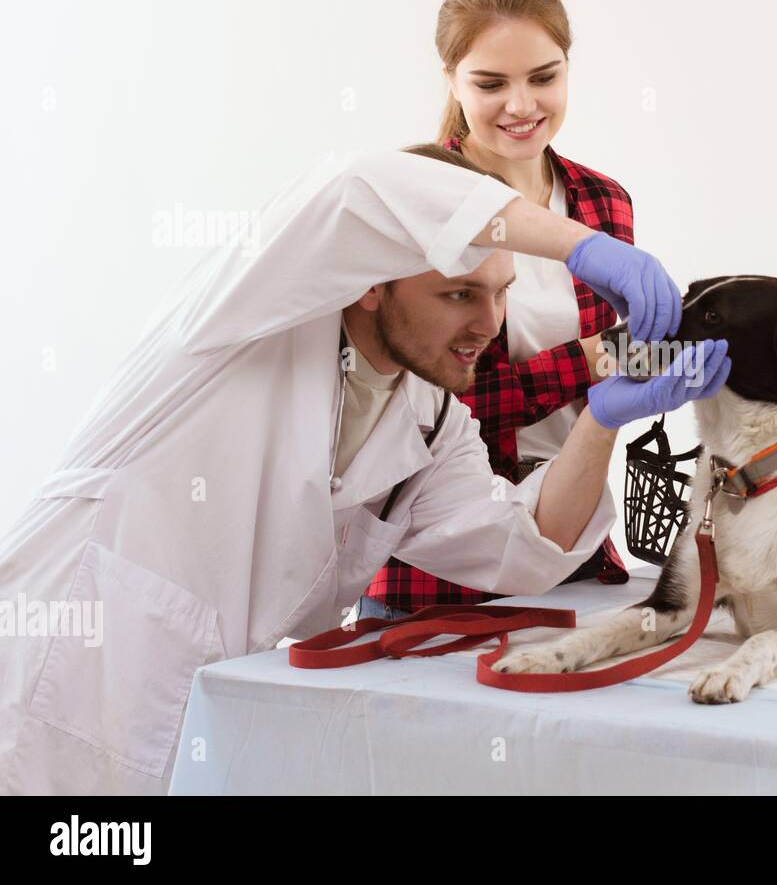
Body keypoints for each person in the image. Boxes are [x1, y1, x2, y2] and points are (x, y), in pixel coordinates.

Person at [0, 144, 729, 795]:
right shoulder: (246, 316)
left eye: (502, 292)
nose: (489, 324)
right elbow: (359, 186)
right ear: (372, 279)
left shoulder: (429, 418)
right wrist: (585, 249)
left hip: (194, 712)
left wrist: (600, 419)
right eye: (459, 294)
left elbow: (525, 544)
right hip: (55, 678)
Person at [362, 0, 641, 618]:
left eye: (544, 77)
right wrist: (604, 357)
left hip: (575, 558)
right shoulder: (416, 204)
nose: (522, 106)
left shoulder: (605, 203)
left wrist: (660, 363)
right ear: (452, 81)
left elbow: (609, 396)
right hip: (437, 583)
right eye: (491, 83)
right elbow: (434, 413)